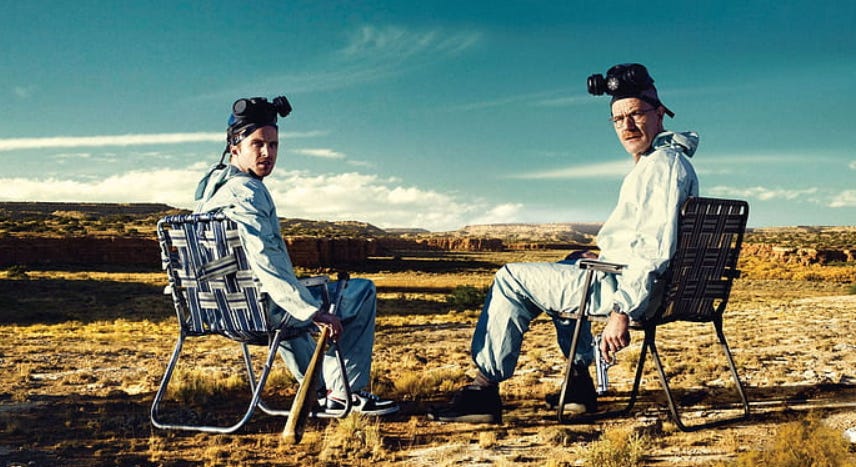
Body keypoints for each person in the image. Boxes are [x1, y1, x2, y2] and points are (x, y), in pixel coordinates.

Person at [428, 63, 699, 423]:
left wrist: (621, 312)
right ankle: (578, 387)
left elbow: (652, 250)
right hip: (636, 284)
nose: (627, 126)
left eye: (635, 114)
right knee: (569, 266)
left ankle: (483, 390)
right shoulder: (660, 162)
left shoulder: (661, 167)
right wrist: (599, 255)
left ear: (660, 113)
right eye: (618, 119)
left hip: (632, 294)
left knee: (511, 278)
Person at [193, 96, 398, 416]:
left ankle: (319, 390)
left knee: (287, 296)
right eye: (257, 144)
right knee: (361, 291)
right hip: (261, 315)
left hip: (221, 313)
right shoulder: (248, 191)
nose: (267, 153)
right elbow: (266, 258)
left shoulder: (210, 192)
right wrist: (311, 311)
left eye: (273, 145)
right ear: (234, 147)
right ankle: (346, 393)